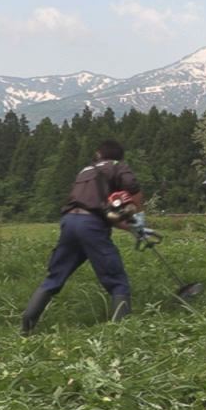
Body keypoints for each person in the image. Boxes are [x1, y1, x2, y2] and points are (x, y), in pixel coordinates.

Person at [21, 140, 144, 334]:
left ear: (98, 154)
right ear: (119, 156)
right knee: (116, 279)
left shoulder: (85, 170)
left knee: (55, 276)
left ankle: (26, 326)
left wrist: (130, 228)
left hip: (69, 221)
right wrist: (137, 214)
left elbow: (98, 211)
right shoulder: (116, 166)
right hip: (91, 225)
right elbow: (131, 186)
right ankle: (121, 332)